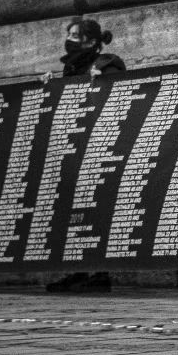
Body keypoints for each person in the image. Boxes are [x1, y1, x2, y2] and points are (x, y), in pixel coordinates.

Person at [45, 18, 126, 294]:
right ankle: (79, 270)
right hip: (75, 150)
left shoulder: (107, 64)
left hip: (100, 149)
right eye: (68, 34)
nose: (70, 40)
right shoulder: (70, 69)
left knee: (98, 210)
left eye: (75, 36)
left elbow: (120, 98)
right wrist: (49, 88)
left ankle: (101, 272)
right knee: (74, 211)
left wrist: (100, 84)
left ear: (92, 41)